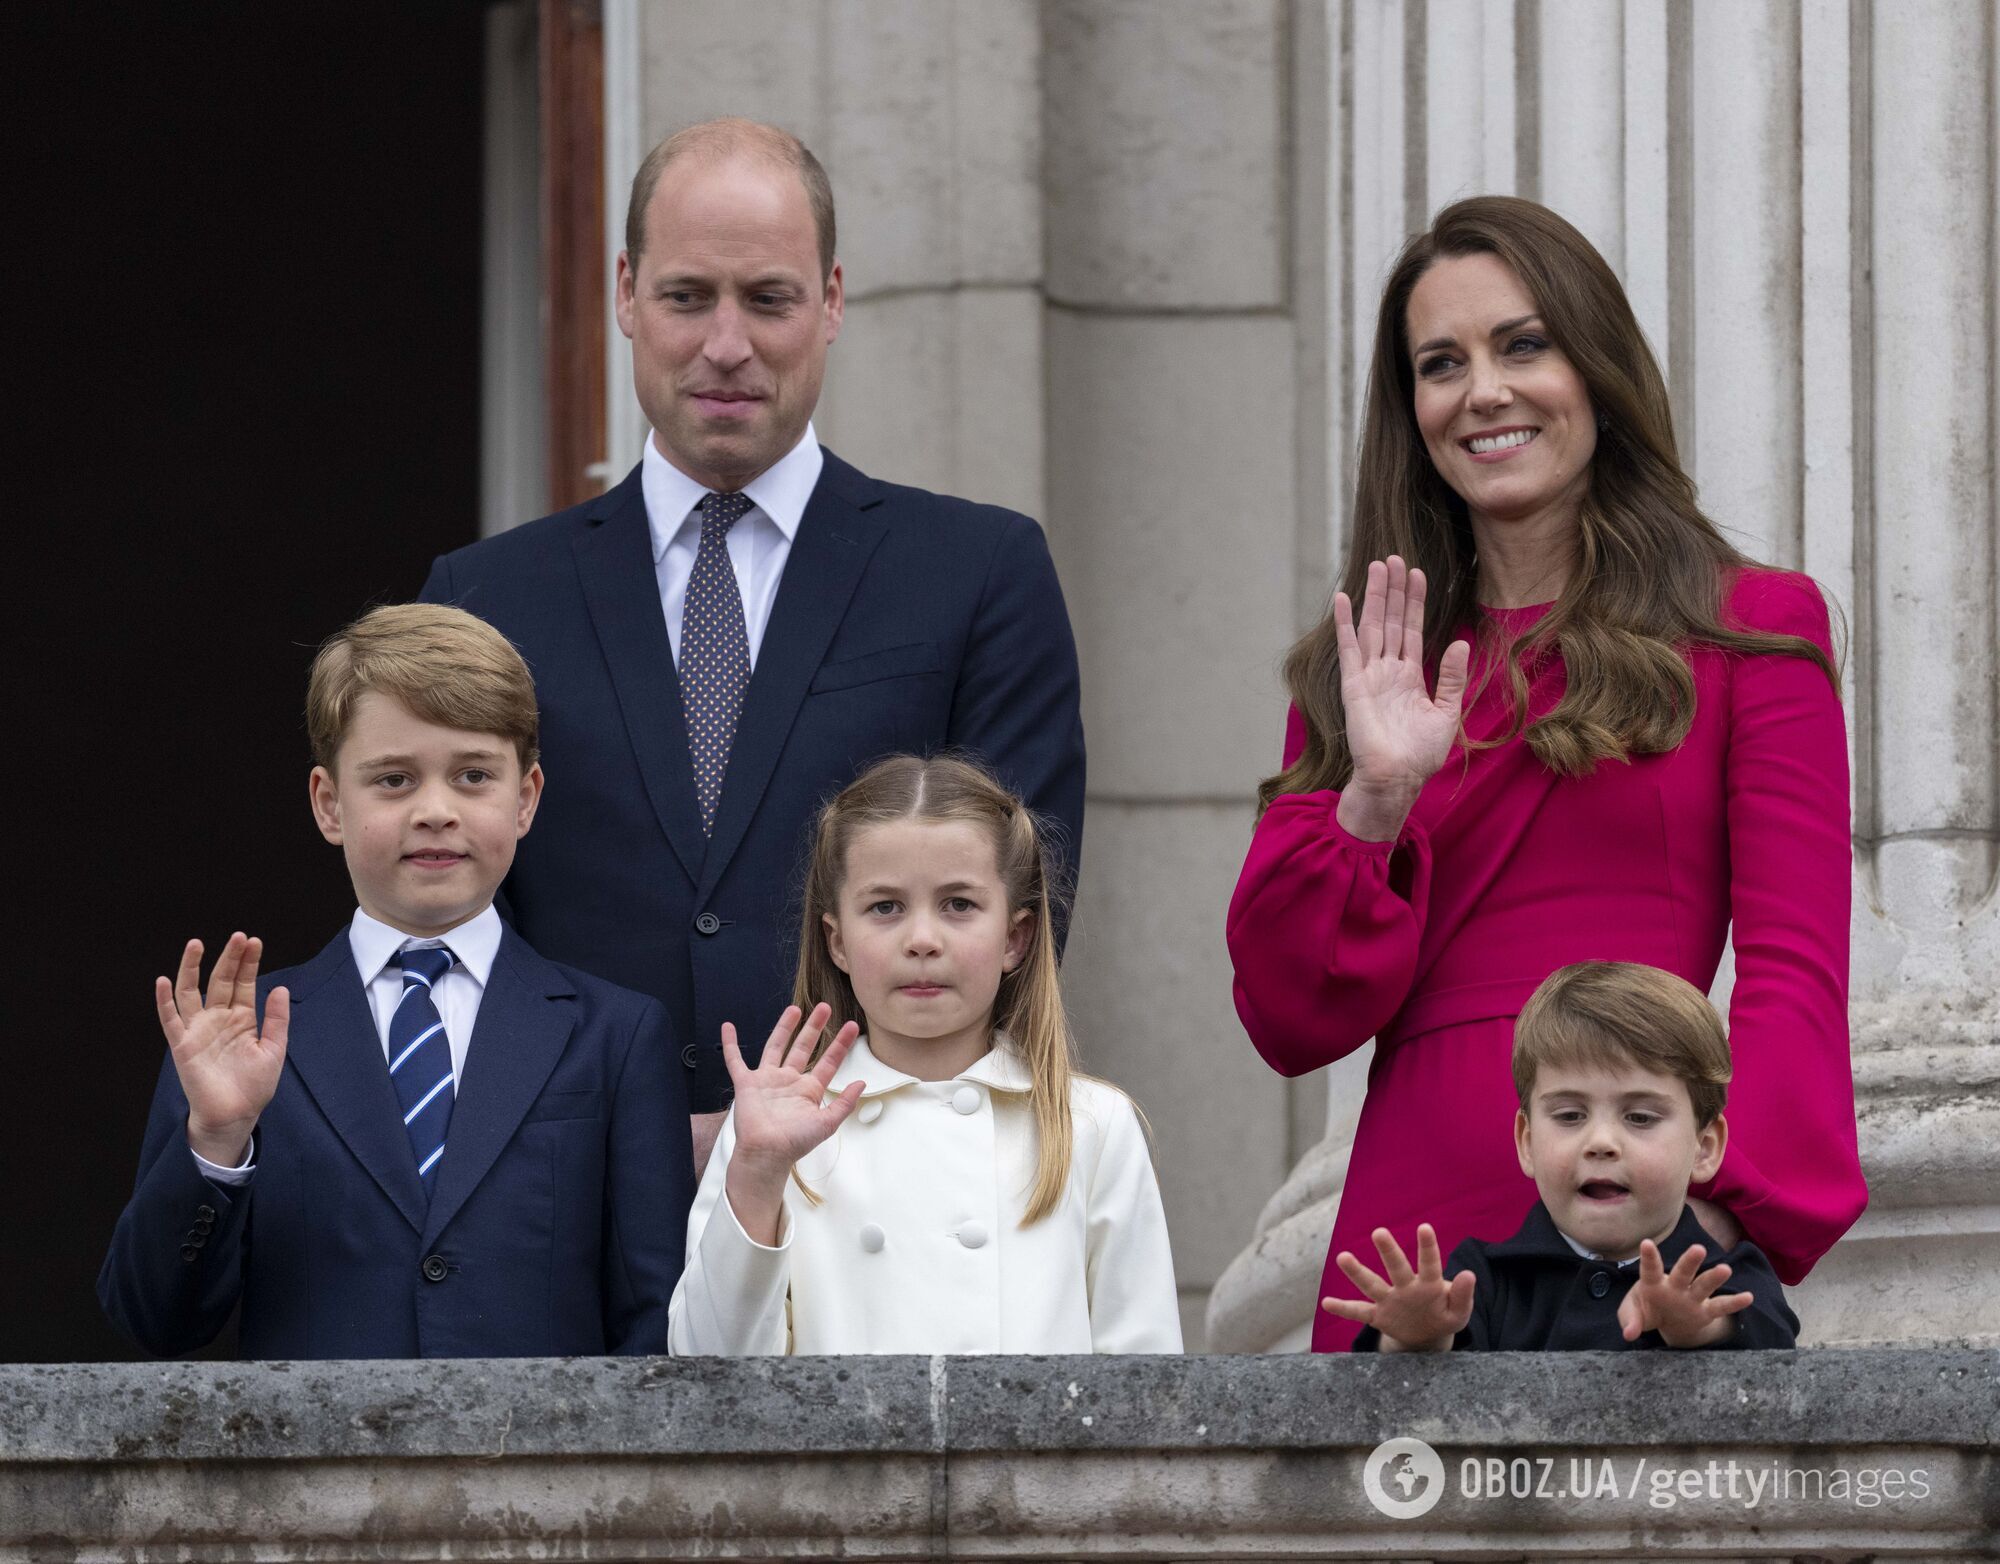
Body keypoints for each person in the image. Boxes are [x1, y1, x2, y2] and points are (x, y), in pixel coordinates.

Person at [1225, 195, 1865, 1353]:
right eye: (1439, 363)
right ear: (1408, 408)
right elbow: (1285, 1013)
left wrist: (1710, 1219)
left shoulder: (1750, 625)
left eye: (1522, 344)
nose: (1483, 391)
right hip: (1411, 1238)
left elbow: (1791, 972)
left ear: (1595, 367)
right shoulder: (1366, 665)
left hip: (1633, 1231)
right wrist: (1373, 799)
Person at [419, 118, 1085, 1176]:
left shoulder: (977, 572)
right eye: (687, 297)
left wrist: (796, 1131)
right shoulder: (487, 596)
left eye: (766, 298)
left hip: (879, 1192)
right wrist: (623, 1137)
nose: (725, 343)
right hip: (572, 1206)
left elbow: (1014, 912)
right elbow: (447, 922)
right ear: (626, 294)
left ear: (828, 300)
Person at [99, 605, 693, 1358]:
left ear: (526, 798)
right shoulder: (240, 1036)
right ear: (328, 803)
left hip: (545, 1474)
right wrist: (217, 1142)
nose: (435, 811)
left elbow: (656, 1326)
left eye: (473, 775)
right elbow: (153, 1320)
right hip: (313, 1471)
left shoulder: (616, 1035)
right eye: (393, 779)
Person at [667, 755, 1179, 1354]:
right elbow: (708, 1374)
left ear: (1015, 938)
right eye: (885, 907)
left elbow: (1146, 1385)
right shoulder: (773, 1129)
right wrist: (755, 1177)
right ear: (837, 940)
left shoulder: (1091, 1124)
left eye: (959, 904)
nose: (922, 940)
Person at [1324, 962, 1799, 1352]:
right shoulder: (1485, 1277)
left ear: (1705, 1147)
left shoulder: (1729, 1272)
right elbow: (1414, 1409)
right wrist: (1415, 1335)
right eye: (1570, 1115)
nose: (1601, 1141)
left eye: (1640, 1118)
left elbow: (1776, 1350)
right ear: (1527, 1142)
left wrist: (1700, 1327)